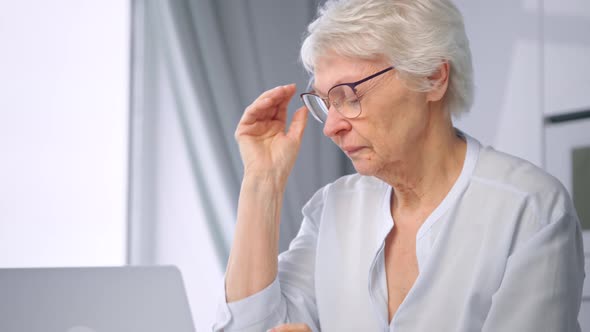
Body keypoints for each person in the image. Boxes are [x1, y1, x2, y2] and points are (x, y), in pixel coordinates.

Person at [213, 0, 585, 331]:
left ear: (432, 77)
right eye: (326, 102)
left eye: (347, 95)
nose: (330, 126)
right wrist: (263, 182)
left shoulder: (530, 208)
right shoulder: (334, 208)